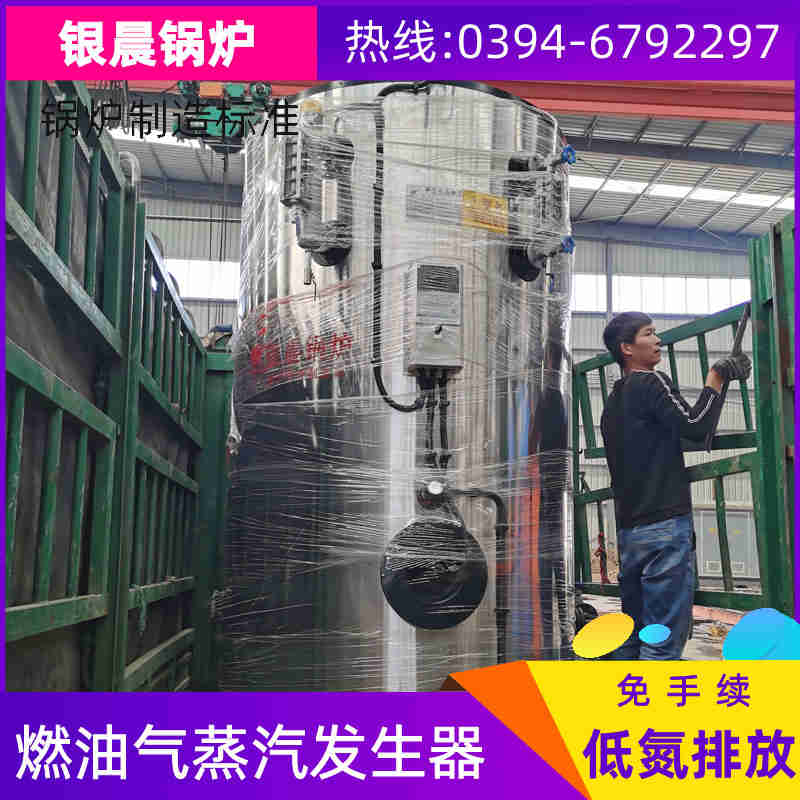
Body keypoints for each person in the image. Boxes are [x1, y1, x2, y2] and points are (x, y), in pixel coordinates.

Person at [600, 312, 750, 659]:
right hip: (664, 528)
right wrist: (716, 376)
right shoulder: (650, 381)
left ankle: (627, 692)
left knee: (634, 638)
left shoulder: (614, 401)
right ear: (627, 348)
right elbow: (695, 426)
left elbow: (676, 432)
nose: (658, 340)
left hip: (630, 532)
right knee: (662, 645)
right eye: (649, 334)